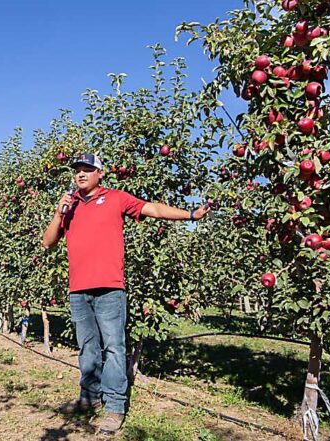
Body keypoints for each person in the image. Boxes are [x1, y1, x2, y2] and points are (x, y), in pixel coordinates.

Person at [42, 153, 209, 435]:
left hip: (109, 287)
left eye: (87, 169)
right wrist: (59, 212)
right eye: (77, 171)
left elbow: (152, 209)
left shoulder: (116, 198)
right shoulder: (69, 208)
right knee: (87, 347)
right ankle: (89, 398)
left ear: (100, 173)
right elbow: (47, 243)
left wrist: (191, 214)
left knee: (114, 348)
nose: (81, 175)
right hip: (78, 289)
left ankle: (115, 407)